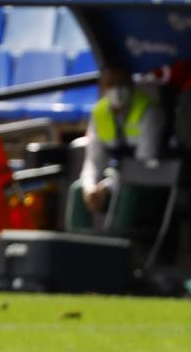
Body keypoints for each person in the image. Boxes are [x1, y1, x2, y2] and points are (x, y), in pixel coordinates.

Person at [71, 67, 166, 231]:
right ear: (103, 87)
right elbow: (93, 161)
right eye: (111, 84)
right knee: (78, 189)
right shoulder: (99, 113)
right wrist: (90, 187)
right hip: (117, 178)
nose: (117, 89)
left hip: (150, 181)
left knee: (126, 191)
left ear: (131, 85)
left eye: (122, 83)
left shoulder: (149, 112)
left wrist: (109, 186)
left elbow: (143, 166)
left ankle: (116, 245)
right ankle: (76, 243)